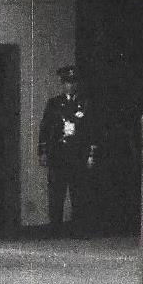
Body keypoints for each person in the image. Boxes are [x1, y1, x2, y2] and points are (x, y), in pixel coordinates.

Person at [36, 65, 97, 236]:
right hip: (59, 154)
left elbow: (91, 130)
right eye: (67, 83)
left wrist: (91, 154)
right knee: (56, 193)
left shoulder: (85, 103)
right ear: (63, 85)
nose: (70, 86)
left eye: (73, 82)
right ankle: (55, 229)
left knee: (79, 193)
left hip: (78, 154)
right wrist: (43, 152)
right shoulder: (54, 103)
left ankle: (79, 228)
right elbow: (45, 128)